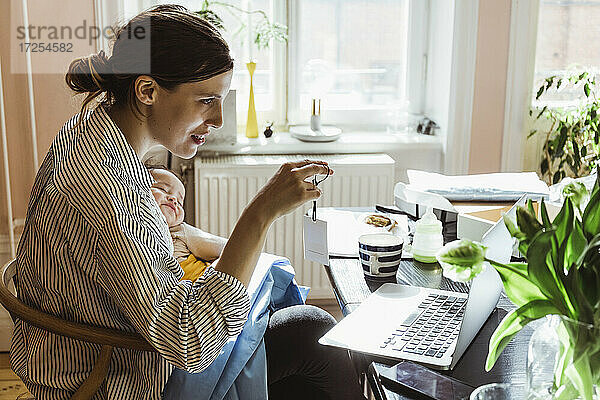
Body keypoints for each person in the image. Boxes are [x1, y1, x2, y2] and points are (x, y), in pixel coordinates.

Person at [10, 4, 366, 400]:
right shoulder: (105, 184)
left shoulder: (92, 130)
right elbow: (187, 342)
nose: (217, 119)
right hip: (110, 375)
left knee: (302, 340)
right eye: (206, 100)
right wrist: (260, 212)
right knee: (311, 330)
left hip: (109, 343)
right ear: (147, 91)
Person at [147, 164, 223, 282]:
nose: (174, 200)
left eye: (180, 202)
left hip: (207, 285)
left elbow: (228, 248)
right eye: (163, 189)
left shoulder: (180, 231)